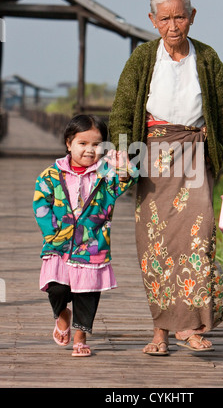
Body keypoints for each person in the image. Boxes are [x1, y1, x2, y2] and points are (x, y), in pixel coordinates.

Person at [109, 0, 223, 355]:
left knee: (197, 237)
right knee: (156, 244)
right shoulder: (143, 58)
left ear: (192, 16)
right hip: (154, 154)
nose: (173, 25)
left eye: (179, 16)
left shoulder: (207, 58)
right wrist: (123, 153)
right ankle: (160, 329)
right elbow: (123, 112)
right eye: (165, 17)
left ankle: (190, 327)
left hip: (194, 153)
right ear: (153, 21)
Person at [33, 114, 137, 357]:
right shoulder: (51, 175)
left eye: (97, 144)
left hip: (92, 246)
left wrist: (124, 167)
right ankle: (62, 315)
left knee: (86, 294)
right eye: (82, 143)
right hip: (58, 244)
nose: (90, 150)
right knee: (56, 288)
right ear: (69, 143)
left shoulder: (105, 175)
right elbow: (41, 203)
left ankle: (80, 337)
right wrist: (53, 233)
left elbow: (127, 181)